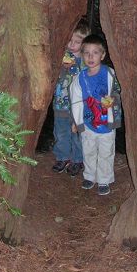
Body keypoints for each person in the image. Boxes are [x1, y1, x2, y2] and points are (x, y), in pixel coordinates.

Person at [69, 34, 121, 196]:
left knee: (106, 151)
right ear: (82, 55)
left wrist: (114, 99)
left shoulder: (110, 74)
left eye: (95, 53)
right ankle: (90, 176)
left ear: (103, 55)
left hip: (107, 123)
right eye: (86, 53)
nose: (91, 57)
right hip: (88, 122)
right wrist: (76, 121)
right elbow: (76, 101)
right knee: (89, 150)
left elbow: (119, 91)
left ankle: (104, 179)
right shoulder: (80, 78)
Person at [51, 20, 89, 176]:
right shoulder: (61, 57)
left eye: (77, 42)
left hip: (79, 106)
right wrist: (62, 67)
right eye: (70, 41)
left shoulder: (86, 61)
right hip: (61, 103)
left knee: (78, 134)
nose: (72, 45)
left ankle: (78, 159)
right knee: (60, 131)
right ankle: (62, 156)